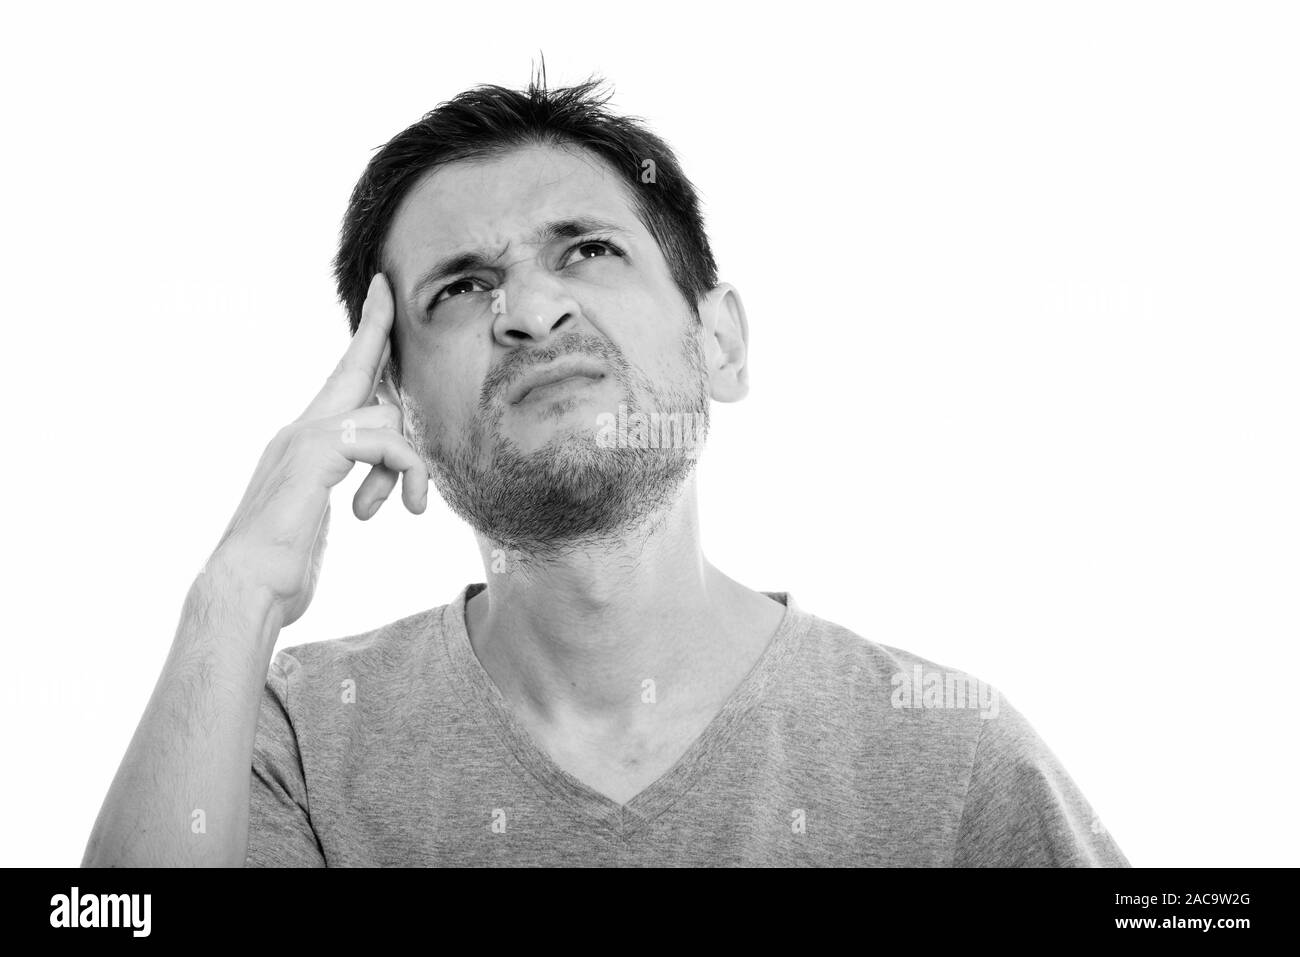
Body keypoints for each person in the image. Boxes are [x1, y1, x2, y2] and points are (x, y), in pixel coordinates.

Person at [82, 74, 1129, 867]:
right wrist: (231, 598)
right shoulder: (290, 741)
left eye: (585, 249)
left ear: (718, 343)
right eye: (461, 288)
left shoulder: (950, 759)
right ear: (394, 405)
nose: (531, 312)